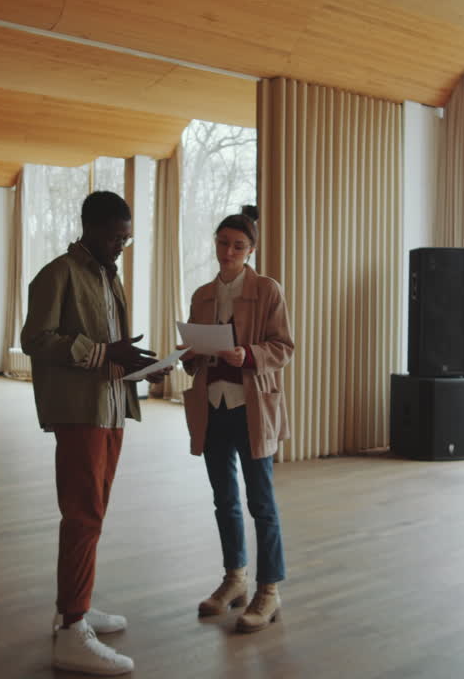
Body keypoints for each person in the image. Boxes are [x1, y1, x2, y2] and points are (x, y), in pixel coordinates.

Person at [21, 191, 170, 676]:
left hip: (110, 409)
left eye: (126, 240)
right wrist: (107, 355)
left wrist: (139, 369)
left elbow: (114, 348)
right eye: (114, 238)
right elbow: (36, 341)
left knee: (94, 512)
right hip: (80, 413)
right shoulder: (57, 273)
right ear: (89, 228)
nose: (120, 248)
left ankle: (76, 605)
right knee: (83, 515)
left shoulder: (109, 275)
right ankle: (71, 631)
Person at [179, 205, 294, 633]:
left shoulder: (267, 291)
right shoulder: (202, 295)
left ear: (251, 249)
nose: (229, 252)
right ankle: (235, 579)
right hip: (212, 406)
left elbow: (283, 348)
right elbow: (194, 357)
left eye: (238, 246)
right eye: (223, 243)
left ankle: (269, 590)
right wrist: (190, 357)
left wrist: (247, 355)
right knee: (223, 499)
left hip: (252, 408)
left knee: (260, 502)